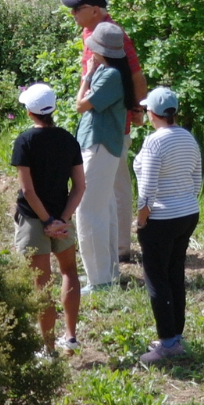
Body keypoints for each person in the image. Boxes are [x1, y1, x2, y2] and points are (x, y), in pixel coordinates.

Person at [62, 0, 146, 261]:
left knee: (115, 185)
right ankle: (113, 247)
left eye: (77, 8)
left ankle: (119, 249)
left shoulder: (113, 34)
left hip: (111, 123)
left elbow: (134, 75)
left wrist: (137, 110)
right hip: (98, 117)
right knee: (105, 188)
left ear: (96, 10)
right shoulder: (91, 31)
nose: (72, 12)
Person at [11, 82, 86, 356]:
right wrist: (61, 219)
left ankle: (48, 348)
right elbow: (79, 186)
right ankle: (71, 337)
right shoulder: (69, 139)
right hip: (62, 220)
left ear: (30, 112)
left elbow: (27, 190)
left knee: (41, 284)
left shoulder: (24, 141)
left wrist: (45, 221)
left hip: (34, 221)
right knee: (69, 273)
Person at [134, 86, 202, 366]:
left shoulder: (154, 142)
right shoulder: (188, 138)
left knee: (157, 279)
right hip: (187, 213)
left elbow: (147, 187)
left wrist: (141, 218)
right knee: (175, 274)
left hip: (160, 218)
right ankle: (176, 335)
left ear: (153, 113)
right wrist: (184, 201)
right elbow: (197, 180)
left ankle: (167, 343)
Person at [74, 21, 139, 292]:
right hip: (101, 147)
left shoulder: (109, 76)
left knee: (88, 212)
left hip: (99, 148)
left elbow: (80, 105)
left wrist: (87, 76)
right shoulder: (112, 72)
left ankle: (99, 280)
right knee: (104, 210)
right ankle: (107, 274)